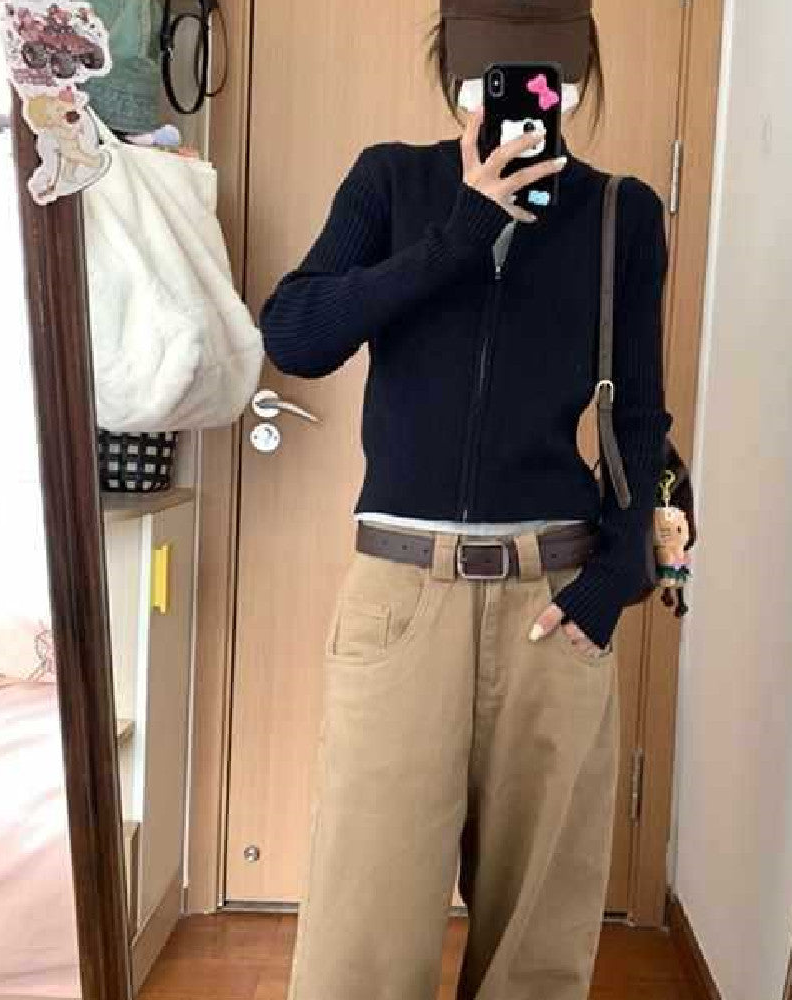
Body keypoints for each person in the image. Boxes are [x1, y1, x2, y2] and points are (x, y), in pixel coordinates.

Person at [259, 1, 674, 997]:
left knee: (538, 949)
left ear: (576, 74)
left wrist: (617, 576)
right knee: (359, 950)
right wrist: (460, 234)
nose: (516, 95)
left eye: (541, 73)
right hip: (401, 601)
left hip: (554, 604)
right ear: (452, 70)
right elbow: (295, 334)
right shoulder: (389, 181)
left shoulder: (620, 213)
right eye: (492, 71)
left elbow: (638, 414)